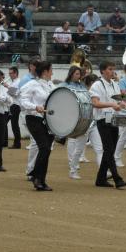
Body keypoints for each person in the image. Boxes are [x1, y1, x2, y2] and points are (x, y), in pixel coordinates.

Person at [89, 60, 126, 189]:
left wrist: (125, 105)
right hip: (102, 119)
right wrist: (112, 104)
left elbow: (118, 101)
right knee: (109, 149)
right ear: (102, 71)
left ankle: (100, 178)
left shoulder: (114, 84)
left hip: (113, 118)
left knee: (109, 150)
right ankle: (117, 178)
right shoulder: (96, 85)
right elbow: (95, 103)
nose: (113, 71)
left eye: (113, 69)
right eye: (110, 69)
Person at [19, 61, 55, 190]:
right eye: (51, 70)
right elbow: (22, 102)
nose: (52, 72)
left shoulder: (51, 85)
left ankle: (40, 178)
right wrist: (35, 107)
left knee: (47, 149)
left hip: (48, 120)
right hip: (34, 118)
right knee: (44, 147)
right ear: (45, 72)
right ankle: (37, 177)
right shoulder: (32, 84)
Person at [60, 66, 87, 179]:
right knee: (71, 139)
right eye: (76, 74)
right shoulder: (64, 85)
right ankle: (71, 162)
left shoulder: (81, 85)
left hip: (80, 115)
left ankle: (73, 163)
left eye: (79, 74)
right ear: (71, 74)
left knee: (79, 140)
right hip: (69, 114)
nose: (78, 76)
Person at [6, 66, 21, 149]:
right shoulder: (13, 82)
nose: (10, 75)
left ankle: (17, 143)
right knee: (12, 124)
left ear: (15, 73)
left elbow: (15, 93)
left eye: (11, 73)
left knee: (14, 125)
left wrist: (7, 86)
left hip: (15, 105)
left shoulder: (18, 82)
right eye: (9, 73)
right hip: (11, 105)